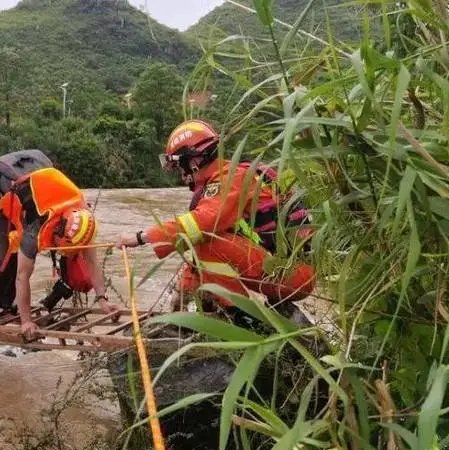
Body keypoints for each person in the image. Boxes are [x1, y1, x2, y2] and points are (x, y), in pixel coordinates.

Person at [116, 119, 315, 314]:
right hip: (286, 271)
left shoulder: (230, 178)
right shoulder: (232, 175)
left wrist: (142, 237)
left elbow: (201, 225)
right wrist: (179, 303)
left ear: (194, 161)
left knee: (205, 239)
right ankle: (222, 310)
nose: (182, 175)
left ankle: (242, 317)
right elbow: (198, 259)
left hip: (290, 274)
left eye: (180, 166)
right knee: (204, 243)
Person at [0, 150, 119, 337]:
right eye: (66, 249)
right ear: (57, 233)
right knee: (9, 252)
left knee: (74, 270)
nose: (68, 253)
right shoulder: (36, 230)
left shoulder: (82, 220)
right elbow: (22, 276)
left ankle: (32, 302)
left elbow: (92, 263)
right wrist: (26, 322)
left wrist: (102, 299)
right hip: (4, 196)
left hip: (37, 184)